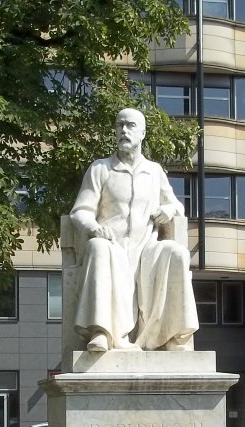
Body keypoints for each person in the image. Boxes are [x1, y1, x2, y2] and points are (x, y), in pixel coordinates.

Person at [70, 108, 199, 353]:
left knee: (178, 254)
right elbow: (81, 211)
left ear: (142, 133)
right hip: (111, 246)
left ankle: (173, 335)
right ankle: (101, 332)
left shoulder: (154, 171)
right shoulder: (100, 169)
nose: (124, 131)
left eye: (130, 126)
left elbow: (176, 205)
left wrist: (169, 210)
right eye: (120, 126)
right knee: (98, 247)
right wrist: (95, 228)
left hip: (146, 250)